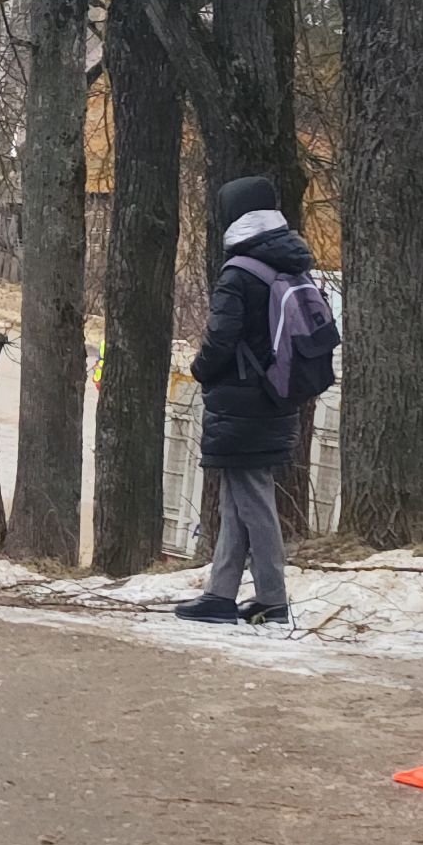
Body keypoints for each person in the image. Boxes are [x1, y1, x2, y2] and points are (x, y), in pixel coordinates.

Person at [173, 176, 314, 627]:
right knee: (237, 499)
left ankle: (273, 598)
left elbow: (221, 339)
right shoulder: (288, 262)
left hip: (243, 401)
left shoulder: (239, 271)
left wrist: (199, 370)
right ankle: (221, 593)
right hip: (277, 395)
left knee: (253, 499)